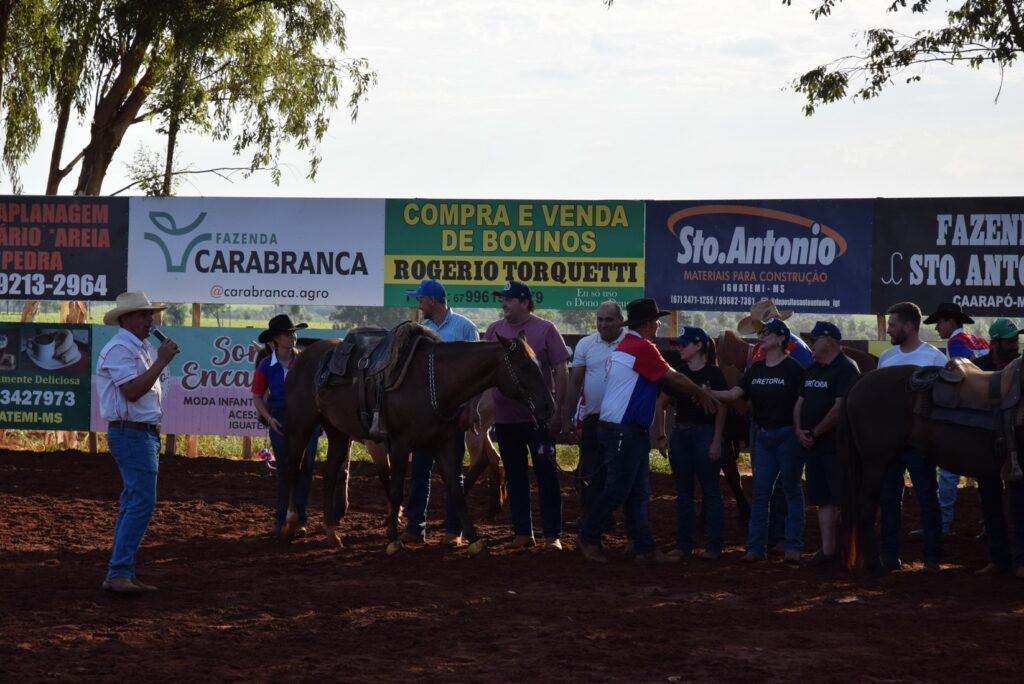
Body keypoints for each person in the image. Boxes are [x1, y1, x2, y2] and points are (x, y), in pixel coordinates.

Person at [577, 298, 718, 564]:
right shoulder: (641, 347)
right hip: (625, 431)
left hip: (624, 430)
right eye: (656, 321)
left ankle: (642, 546)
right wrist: (701, 393)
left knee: (635, 491)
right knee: (620, 490)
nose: (658, 326)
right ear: (648, 323)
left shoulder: (627, 346)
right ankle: (589, 536)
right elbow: (674, 378)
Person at [96, 291, 180, 593]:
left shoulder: (135, 347)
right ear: (127, 318)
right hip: (132, 433)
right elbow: (132, 391)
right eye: (144, 315)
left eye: (150, 315)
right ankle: (119, 572)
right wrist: (161, 361)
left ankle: (122, 572)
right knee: (140, 502)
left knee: (134, 502)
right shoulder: (121, 349)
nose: (150, 320)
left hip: (137, 432)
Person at [483, 280, 573, 551]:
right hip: (505, 418)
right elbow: (483, 372)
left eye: (509, 299)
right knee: (515, 475)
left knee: (546, 475)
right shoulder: (494, 330)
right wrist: (476, 407)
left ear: (524, 302)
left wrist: (559, 411)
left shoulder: (545, 329)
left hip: (539, 419)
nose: (504, 304)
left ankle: (552, 534)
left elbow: (561, 370)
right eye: (503, 299)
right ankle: (523, 532)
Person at [711, 318, 805, 563]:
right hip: (764, 436)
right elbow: (734, 394)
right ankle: (756, 548)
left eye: (767, 333)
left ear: (781, 338)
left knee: (791, 490)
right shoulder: (756, 369)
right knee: (762, 493)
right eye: (761, 333)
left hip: (787, 436)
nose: (761, 336)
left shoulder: (794, 369)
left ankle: (792, 547)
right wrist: (706, 392)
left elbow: (803, 402)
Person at [400, 279, 480, 546]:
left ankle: (454, 530)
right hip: (424, 416)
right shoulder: (420, 330)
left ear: (433, 301)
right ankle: (415, 528)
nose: (419, 303)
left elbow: (476, 374)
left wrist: (471, 407)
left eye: (421, 299)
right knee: (420, 469)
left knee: (453, 472)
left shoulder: (465, 328)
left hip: (453, 414)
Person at [877, 301, 948, 573]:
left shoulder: (935, 358)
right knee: (889, 498)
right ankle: (889, 555)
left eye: (893, 325)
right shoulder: (886, 357)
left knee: (927, 495)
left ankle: (932, 556)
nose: (889, 330)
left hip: (920, 442)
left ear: (908, 326)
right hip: (890, 441)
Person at [655, 326, 727, 560]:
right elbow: (660, 404)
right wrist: (662, 435)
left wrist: (716, 440)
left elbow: (722, 409)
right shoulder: (680, 373)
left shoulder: (712, 373)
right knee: (688, 492)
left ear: (698, 346)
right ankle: (690, 544)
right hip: (686, 434)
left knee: (707, 491)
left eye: (684, 344)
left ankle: (709, 545)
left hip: (701, 434)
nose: (680, 348)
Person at [793, 321, 860, 566]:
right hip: (814, 446)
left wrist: (815, 432)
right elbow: (799, 403)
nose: (810, 344)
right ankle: (827, 551)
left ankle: (849, 552)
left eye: (814, 340)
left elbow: (840, 407)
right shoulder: (812, 369)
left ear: (829, 341)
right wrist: (799, 430)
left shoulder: (847, 368)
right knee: (822, 499)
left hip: (837, 446)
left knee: (843, 498)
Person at [923, 302, 990, 537]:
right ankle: (989, 525)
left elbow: (968, 375)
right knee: (987, 473)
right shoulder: (979, 340)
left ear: (950, 322)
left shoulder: (955, 342)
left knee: (949, 471)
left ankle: (943, 525)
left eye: (939, 322)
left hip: (968, 411)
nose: (937, 328)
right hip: (989, 411)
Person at [251, 314, 321, 538]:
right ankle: (282, 518)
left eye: (293, 333)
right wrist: (269, 418)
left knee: (306, 468)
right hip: (280, 417)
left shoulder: (306, 362)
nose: (293, 337)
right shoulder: (265, 365)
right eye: (287, 334)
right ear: (275, 339)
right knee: (284, 469)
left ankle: (300, 518)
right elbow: (257, 395)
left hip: (306, 417)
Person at [971, 318, 1024, 578]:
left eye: (1016, 340)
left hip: (1018, 449)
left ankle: (1021, 560)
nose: (1015, 345)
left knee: (1020, 504)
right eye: (1010, 341)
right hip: (986, 447)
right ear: (995, 343)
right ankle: (998, 558)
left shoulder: (1021, 367)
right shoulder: (977, 369)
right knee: (990, 503)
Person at [569, 300, 625, 524]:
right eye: (599, 320)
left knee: (620, 473)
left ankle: (620, 518)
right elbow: (575, 383)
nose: (603, 324)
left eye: (608, 320)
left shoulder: (631, 343)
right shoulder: (586, 344)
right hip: (594, 419)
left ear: (621, 320)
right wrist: (567, 416)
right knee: (592, 472)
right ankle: (593, 520)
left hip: (622, 422)